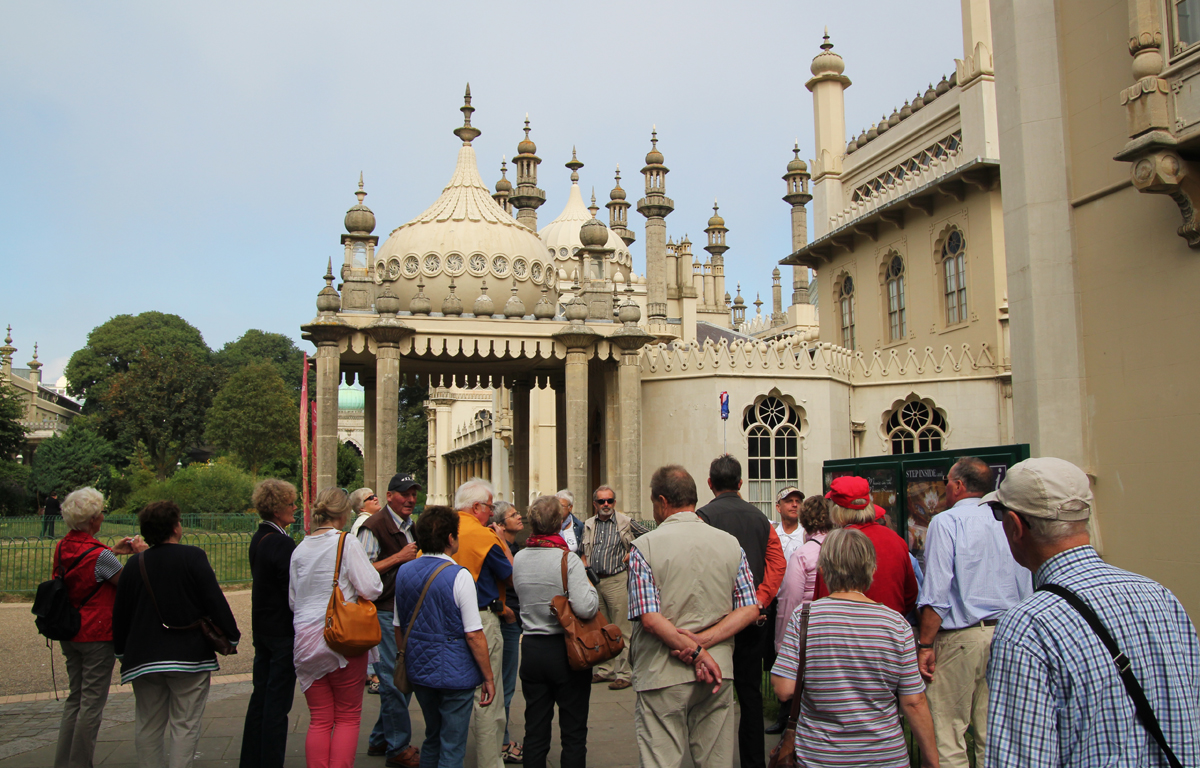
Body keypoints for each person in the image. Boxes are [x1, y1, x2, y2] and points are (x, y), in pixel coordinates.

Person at [985, 457, 1200, 768]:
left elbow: (1020, 758)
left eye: (998, 513)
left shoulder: (1028, 625)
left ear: (1016, 526)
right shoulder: (1160, 596)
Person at [771, 528, 938, 768]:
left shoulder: (805, 618)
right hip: (885, 757)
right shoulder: (896, 624)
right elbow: (914, 702)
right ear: (871, 569)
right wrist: (932, 761)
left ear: (823, 570)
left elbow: (784, 689)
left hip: (820, 757)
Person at [628, 465, 760, 768]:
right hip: (718, 671)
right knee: (716, 760)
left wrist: (697, 649)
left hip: (662, 672)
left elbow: (649, 617)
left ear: (662, 502)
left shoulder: (644, 547)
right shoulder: (730, 543)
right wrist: (705, 645)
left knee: (662, 760)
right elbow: (750, 608)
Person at [915, 458, 1031, 768]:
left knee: (948, 735)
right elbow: (1026, 581)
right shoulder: (1007, 519)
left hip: (961, 638)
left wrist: (925, 644)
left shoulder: (947, 522)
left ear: (958, 485)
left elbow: (937, 591)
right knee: (994, 734)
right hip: (1008, 634)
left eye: (946, 482)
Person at [112, 501, 240, 768]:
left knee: (148, 723)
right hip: (188, 654)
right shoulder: (192, 557)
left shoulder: (135, 564)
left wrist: (122, 652)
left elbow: (121, 613)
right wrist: (230, 635)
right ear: (175, 527)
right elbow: (214, 601)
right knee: (185, 723)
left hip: (143, 657)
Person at [695, 455, 787, 768]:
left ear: (710, 484)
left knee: (711, 696)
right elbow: (777, 564)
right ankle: (752, 762)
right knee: (749, 696)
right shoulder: (761, 519)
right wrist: (758, 602)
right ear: (740, 483)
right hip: (751, 622)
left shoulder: (702, 519)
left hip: (715, 623)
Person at [52, 487, 147, 768]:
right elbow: (127, 583)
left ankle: (65, 761)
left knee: (75, 699)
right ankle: (80, 763)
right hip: (96, 632)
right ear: (93, 519)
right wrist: (140, 556)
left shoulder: (63, 546)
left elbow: (85, 570)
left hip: (69, 630)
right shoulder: (99, 556)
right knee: (92, 704)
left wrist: (112, 551)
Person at [394, 505, 495, 768]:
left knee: (433, 736)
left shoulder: (404, 571)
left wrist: (408, 656)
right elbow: (474, 633)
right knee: (452, 744)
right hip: (455, 672)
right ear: (451, 539)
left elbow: (398, 625)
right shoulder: (459, 575)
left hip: (420, 668)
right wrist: (488, 676)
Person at [290, 487, 383, 768]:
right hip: (341, 637)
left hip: (305, 639)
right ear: (344, 514)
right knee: (347, 716)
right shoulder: (346, 543)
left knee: (319, 718)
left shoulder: (299, 549)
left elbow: (294, 600)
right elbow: (371, 587)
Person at [514, 495, 600, 768]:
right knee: (574, 731)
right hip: (565, 650)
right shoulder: (568, 560)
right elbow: (586, 608)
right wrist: (590, 586)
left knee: (535, 729)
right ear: (559, 522)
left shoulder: (519, 558)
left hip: (532, 648)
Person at [358, 473, 421, 767]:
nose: (410, 499)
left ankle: (380, 738)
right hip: (385, 610)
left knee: (400, 677)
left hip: (404, 609)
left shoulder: (410, 525)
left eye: (413, 494)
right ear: (389, 496)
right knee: (393, 681)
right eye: (404, 494)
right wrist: (399, 558)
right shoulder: (373, 527)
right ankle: (398, 748)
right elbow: (362, 573)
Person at [452, 478, 514, 768]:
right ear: (476, 507)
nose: (491, 513)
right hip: (481, 619)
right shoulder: (482, 536)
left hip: (444, 620)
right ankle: (490, 762)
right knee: (488, 692)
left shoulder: (441, 529)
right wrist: (501, 540)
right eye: (489, 507)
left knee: (450, 696)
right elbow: (510, 575)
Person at [240, 479, 300, 768]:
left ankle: (251, 759)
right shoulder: (282, 543)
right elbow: (292, 590)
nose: (295, 508)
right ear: (277, 509)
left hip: (263, 628)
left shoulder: (260, 537)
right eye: (290, 504)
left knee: (260, 699)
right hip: (281, 632)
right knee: (277, 705)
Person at [766, 493, 832, 735]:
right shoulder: (841, 546)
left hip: (808, 630)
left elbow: (790, 601)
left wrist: (781, 643)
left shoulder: (804, 554)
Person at [812, 475, 917, 616]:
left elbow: (825, 595)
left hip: (846, 629)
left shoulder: (836, 544)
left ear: (837, 509)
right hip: (888, 629)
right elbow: (910, 595)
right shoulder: (896, 540)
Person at [579, 484, 650, 691]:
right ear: (595, 504)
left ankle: (625, 673)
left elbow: (648, 537)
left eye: (609, 500)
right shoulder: (589, 524)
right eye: (602, 501)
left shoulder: (625, 523)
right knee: (601, 628)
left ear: (615, 502)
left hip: (617, 580)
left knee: (622, 630)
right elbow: (583, 550)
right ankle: (605, 670)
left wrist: (634, 553)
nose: (606, 504)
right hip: (595, 581)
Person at [490, 500, 526, 764]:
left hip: (513, 618)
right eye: (513, 515)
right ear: (501, 524)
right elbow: (515, 577)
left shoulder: (515, 546)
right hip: (507, 619)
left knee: (504, 684)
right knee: (503, 684)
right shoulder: (499, 547)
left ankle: (499, 738)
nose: (520, 516)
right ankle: (501, 742)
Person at [348, 487, 383, 695]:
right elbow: (366, 563)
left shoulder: (362, 523)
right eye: (370, 498)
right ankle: (376, 675)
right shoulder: (366, 524)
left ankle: (369, 672)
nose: (375, 498)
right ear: (362, 507)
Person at [773, 487, 806, 560]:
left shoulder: (806, 535)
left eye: (798, 501)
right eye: (789, 501)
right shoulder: (772, 533)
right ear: (778, 508)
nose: (794, 504)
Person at [554, 490, 584, 554]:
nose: (558, 509)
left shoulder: (578, 526)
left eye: (561, 506)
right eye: (556, 506)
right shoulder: (549, 525)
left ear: (570, 507)